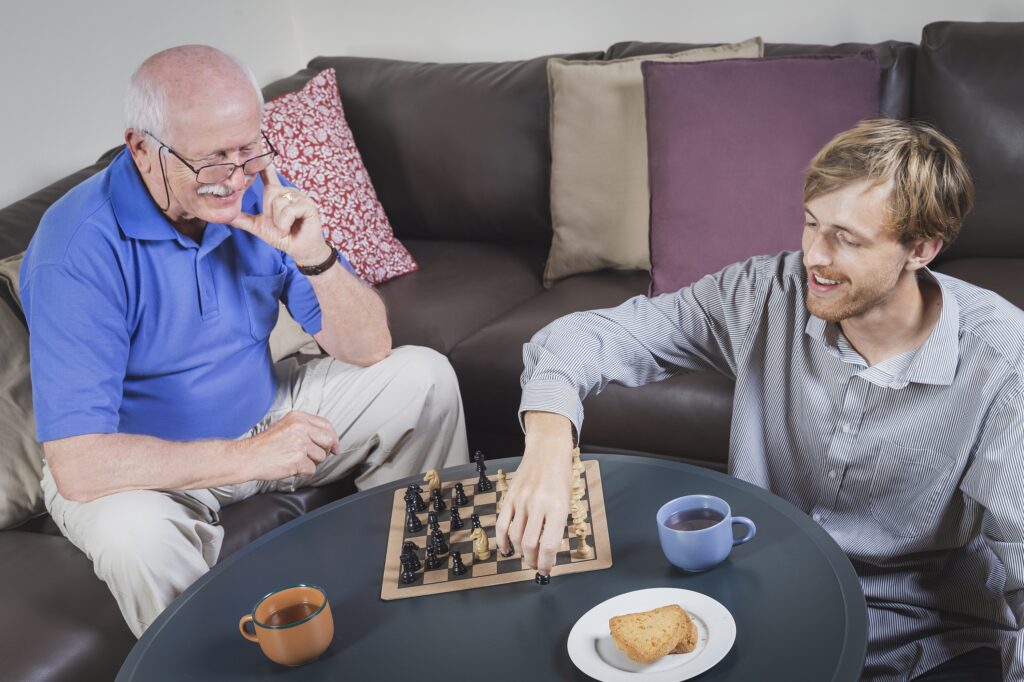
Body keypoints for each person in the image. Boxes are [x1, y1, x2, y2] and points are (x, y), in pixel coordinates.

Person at [495, 119, 1023, 681]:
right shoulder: (763, 292)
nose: (813, 257)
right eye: (811, 224)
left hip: (921, 637)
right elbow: (591, 335)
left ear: (920, 248)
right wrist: (550, 438)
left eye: (846, 238)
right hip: (760, 602)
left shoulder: (1003, 358)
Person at [20, 45, 469, 638]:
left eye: (248, 149)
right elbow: (77, 465)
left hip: (266, 414)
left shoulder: (254, 191)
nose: (235, 179)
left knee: (423, 377)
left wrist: (316, 257)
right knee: (136, 539)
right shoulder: (76, 250)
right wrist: (247, 456)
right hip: (139, 469)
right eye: (212, 161)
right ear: (141, 149)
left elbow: (370, 347)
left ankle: (433, 581)